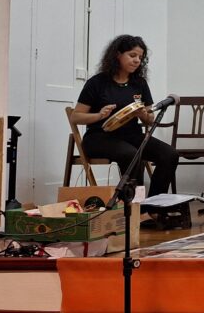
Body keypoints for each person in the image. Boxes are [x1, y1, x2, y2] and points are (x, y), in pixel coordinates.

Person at [71, 35, 179, 199]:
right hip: (99, 137)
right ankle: (134, 205)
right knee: (132, 154)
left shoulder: (139, 83)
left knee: (169, 154)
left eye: (140, 57)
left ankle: (154, 204)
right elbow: (76, 117)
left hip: (131, 136)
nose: (137, 61)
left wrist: (143, 114)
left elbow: (150, 119)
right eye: (132, 55)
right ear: (117, 55)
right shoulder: (97, 82)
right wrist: (99, 115)